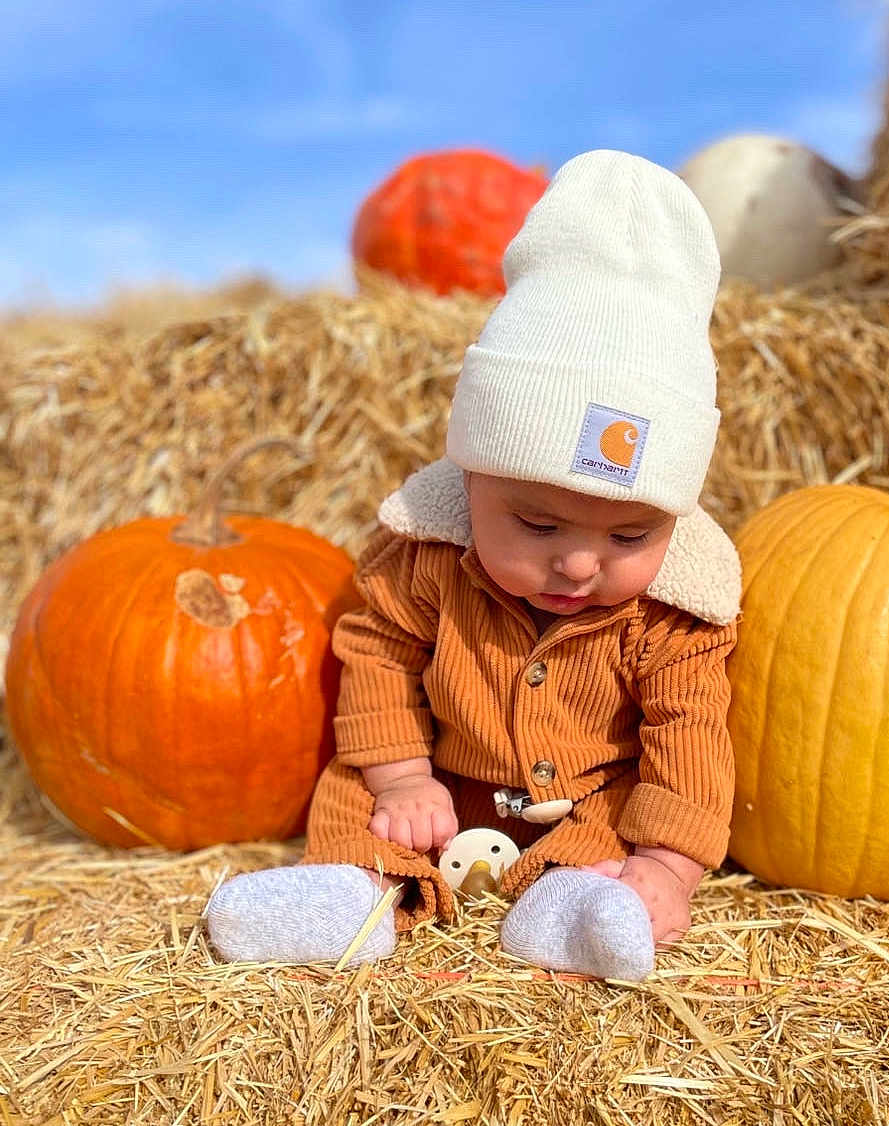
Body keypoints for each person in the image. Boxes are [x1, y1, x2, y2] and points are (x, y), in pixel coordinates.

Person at [206, 149, 742, 981]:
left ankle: (577, 906)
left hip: (583, 801)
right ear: (471, 479)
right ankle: (352, 892)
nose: (578, 563)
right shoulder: (426, 560)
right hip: (435, 785)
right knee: (351, 789)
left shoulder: (677, 616)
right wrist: (400, 779)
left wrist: (668, 868)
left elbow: (688, 740)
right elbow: (379, 656)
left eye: (630, 537)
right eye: (537, 523)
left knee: (617, 817)